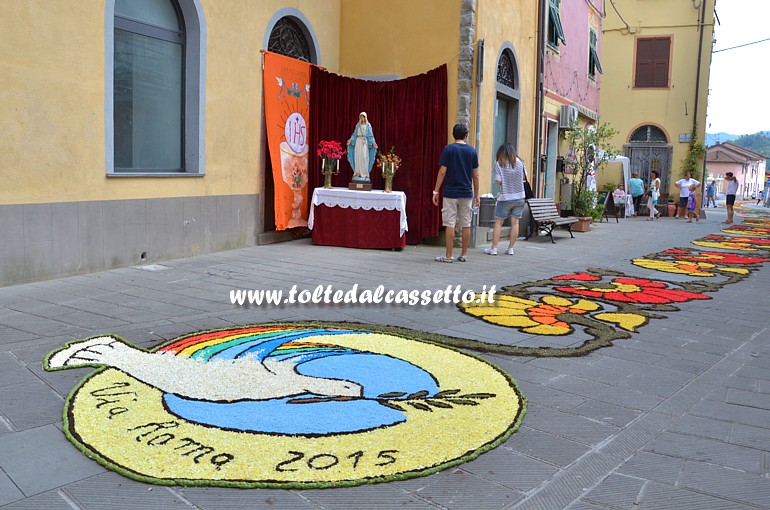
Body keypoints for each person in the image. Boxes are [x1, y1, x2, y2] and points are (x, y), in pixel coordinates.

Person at [432, 124, 480, 263]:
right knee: (466, 223)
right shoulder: (472, 151)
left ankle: (449, 255)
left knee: (450, 223)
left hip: (450, 193)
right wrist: (477, 195)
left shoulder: (448, 149)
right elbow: (475, 175)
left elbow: (442, 171)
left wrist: (436, 190)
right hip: (466, 192)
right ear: (466, 135)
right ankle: (464, 254)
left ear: (453, 134)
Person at [484, 143, 526, 256]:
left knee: (498, 223)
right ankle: (511, 248)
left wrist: (506, 180)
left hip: (505, 197)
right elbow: (523, 177)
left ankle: (494, 248)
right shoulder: (520, 162)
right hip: (520, 197)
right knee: (515, 223)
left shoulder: (499, 164)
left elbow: (498, 181)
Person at [347, 112, 378, 180]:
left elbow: (370, 135)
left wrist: (373, 142)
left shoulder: (368, 125)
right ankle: (357, 172)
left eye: (363, 117)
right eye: (361, 117)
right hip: (358, 142)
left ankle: (365, 173)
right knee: (358, 157)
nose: (362, 118)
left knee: (364, 157)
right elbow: (354, 134)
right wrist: (350, 140)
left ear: (365, 117)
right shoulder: (358, 125)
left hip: (364, 142)